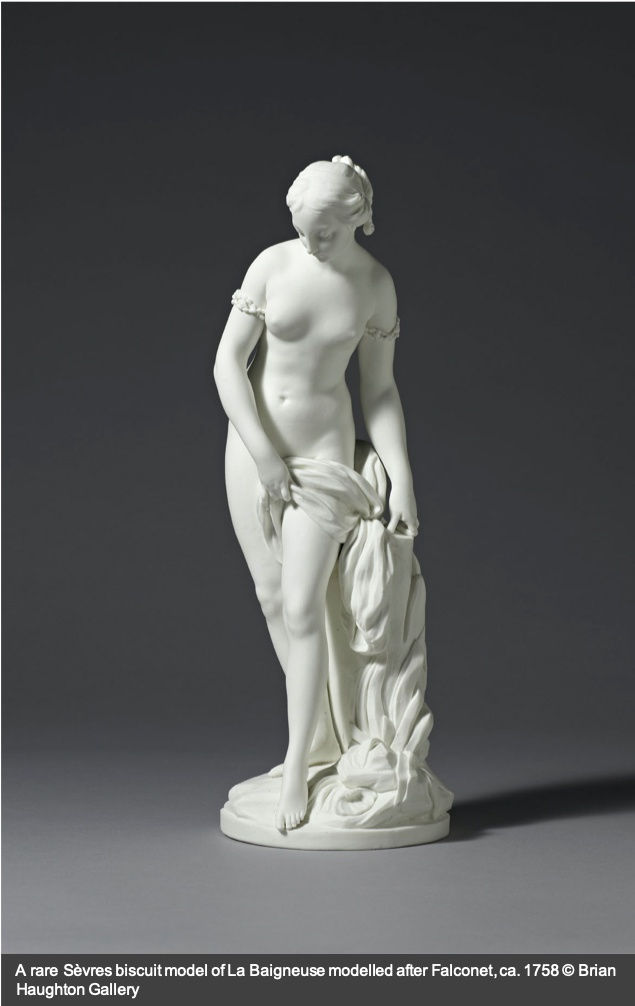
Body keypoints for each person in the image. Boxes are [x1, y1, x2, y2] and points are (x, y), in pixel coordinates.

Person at [213, 155, 418, 832]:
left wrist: (401, 476)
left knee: (303, 604)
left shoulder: (374, 285)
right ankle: (325, 738)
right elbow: (227, 365)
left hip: (324, 459)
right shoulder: (271, 266)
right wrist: (264, 456)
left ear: (358, 218)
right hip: (253, 452)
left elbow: (378, 390)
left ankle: (300, 762)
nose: (311, 241)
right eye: (302, 227)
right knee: (273, 598)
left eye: (325, 231)